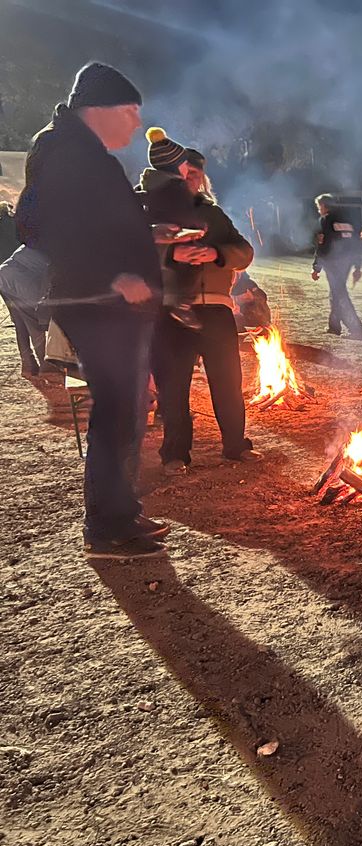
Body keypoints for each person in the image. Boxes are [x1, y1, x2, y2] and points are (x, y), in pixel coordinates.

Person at [16, 62, 178, 559]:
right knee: (115, 410)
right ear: (99, 108)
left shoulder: (82, 152)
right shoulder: (68, 153)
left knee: (125, 408)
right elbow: (39, 225)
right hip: (98, 303)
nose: (135, 122)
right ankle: (106, 528)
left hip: (109, 303)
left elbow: (96, 223)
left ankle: (119, 512)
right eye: (129, 111)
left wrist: (146, 238)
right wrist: (114, 276)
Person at [140, 140, 260, 475]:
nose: (192, 179)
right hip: (168, 311)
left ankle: (236, 445)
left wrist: (215, 254)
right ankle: (175, 454)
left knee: (228, 383)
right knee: (174, 386)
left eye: (197, 174)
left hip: (216, 310)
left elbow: (245, 252)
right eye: (185, 173)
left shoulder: (212, 214)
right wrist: (170, 254)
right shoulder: (145, 208)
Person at [136, 127, 206, 332]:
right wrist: (198, 226)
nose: (187, 169)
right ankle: (183, 304)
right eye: (184, 164)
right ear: (175, 167)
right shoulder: (177, 189)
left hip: (149, 271)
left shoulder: (146, 187)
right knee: (193, 261)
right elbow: (184, 213)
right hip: (175, 235)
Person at [0, 200, 47, 376]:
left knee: (19, 323)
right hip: (20, 273)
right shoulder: (14, 224)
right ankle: (44, 365)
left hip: (5, 276)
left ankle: (28, 364)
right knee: (32, 321)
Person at [311, 193, 362, 339]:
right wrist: (357, 265)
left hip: (333, 262)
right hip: (346, 262)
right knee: (336, 293)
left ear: (324, 206)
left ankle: (356, 330)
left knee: (340, 294)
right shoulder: (347, 219)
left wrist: (316, 268)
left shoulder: (325, 220)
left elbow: (322, 246)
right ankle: (334, 326)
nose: (318, 210)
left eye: (319, 207)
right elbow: (355, 243)